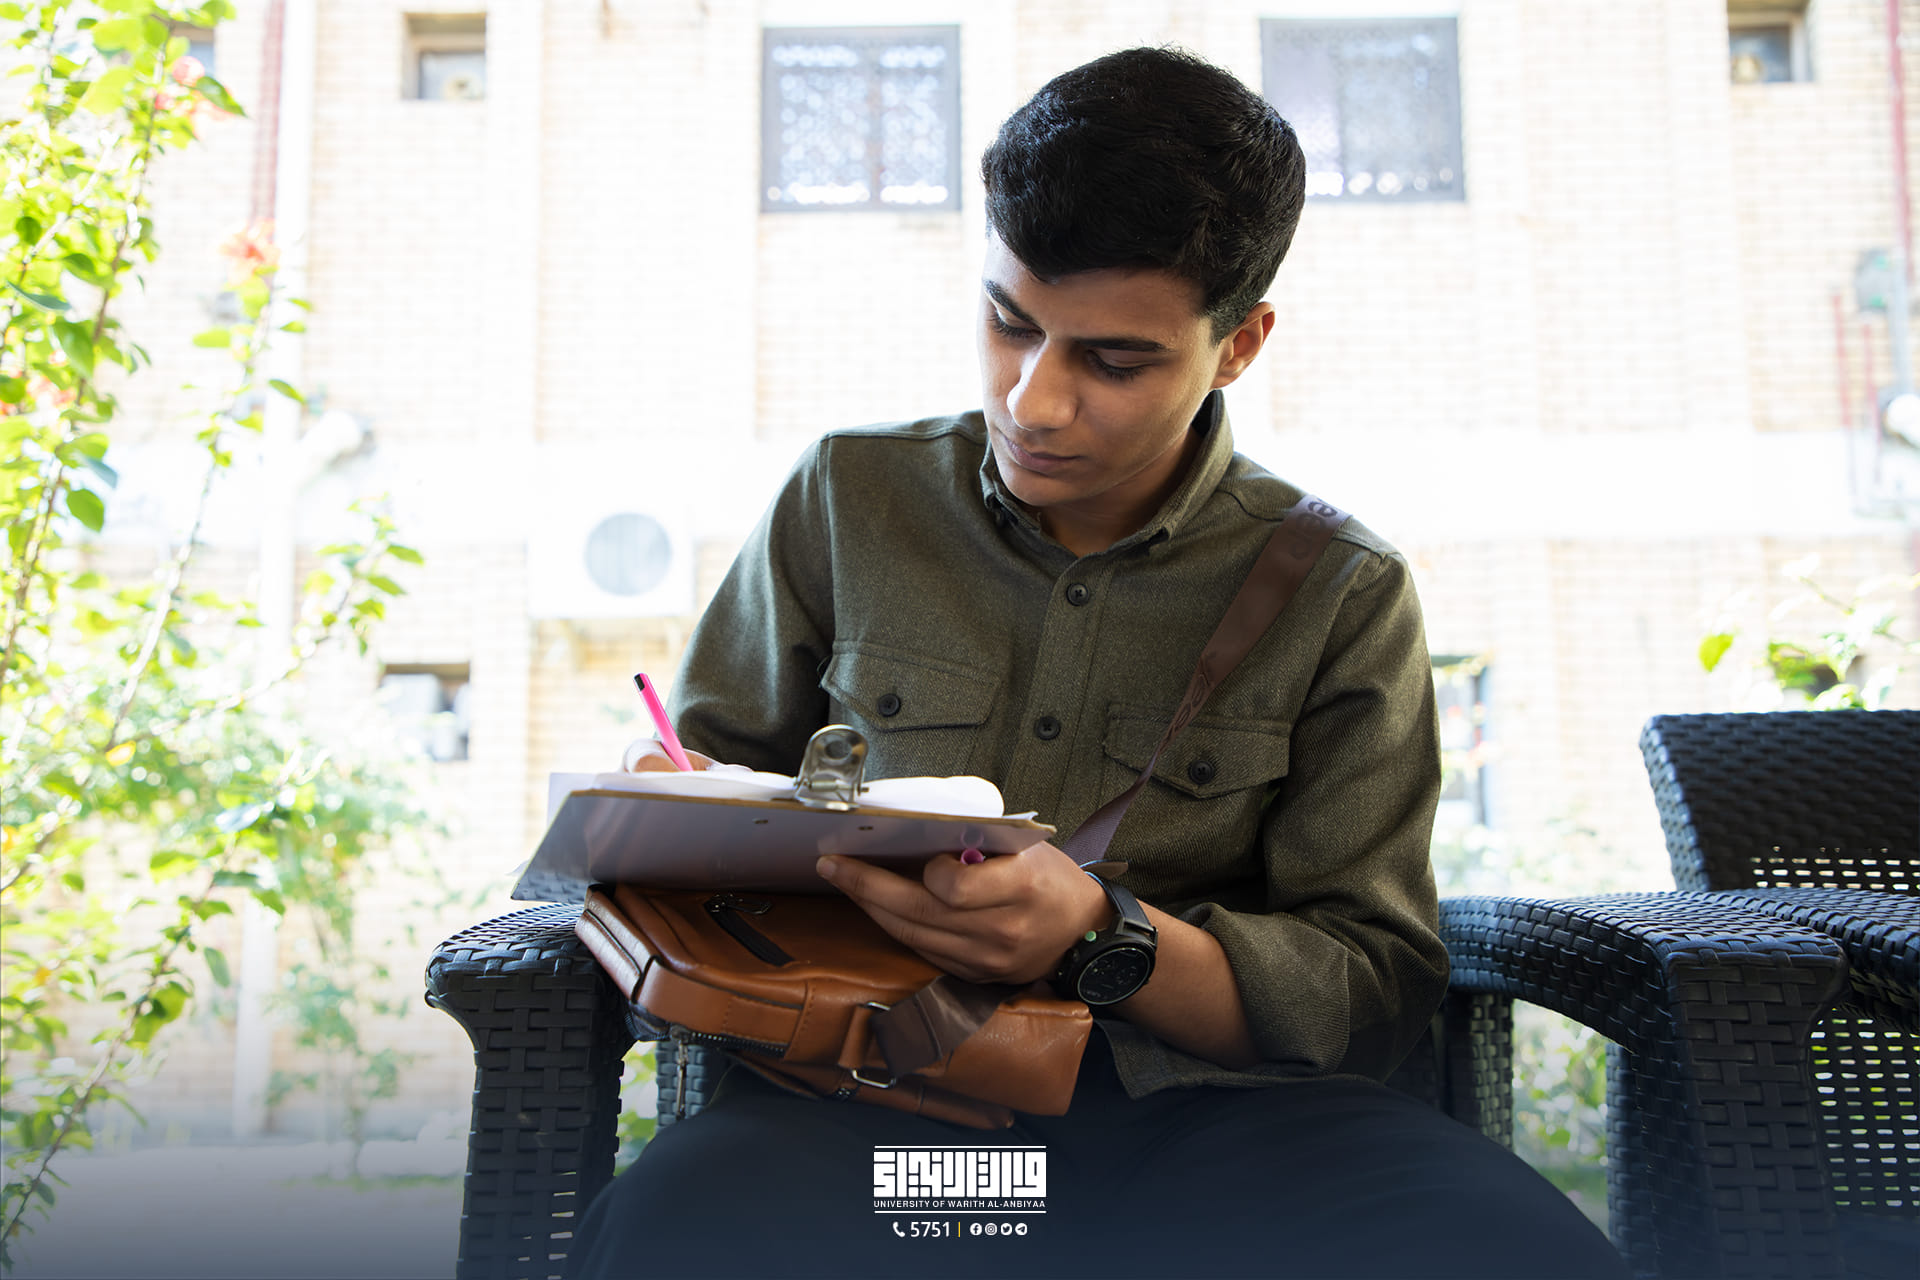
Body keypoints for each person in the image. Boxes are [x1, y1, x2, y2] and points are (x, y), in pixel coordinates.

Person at [568, 46, 1627, 1280]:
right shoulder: (851, 498)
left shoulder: (1343, 591)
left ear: (1239, 344)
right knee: (692, 1227)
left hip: (1224, 1140)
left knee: (1503, 1246)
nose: (1034, 400)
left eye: (1114, 360)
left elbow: (1371, 985)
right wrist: (676, 806)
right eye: (1008, 322)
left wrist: (1098, 933)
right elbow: (698, 822)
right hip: (902, 1131)